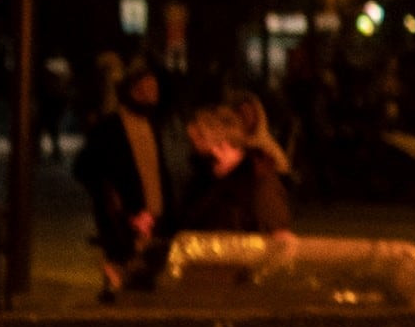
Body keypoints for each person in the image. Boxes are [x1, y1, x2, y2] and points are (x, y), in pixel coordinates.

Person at [136, 96, 291, 288]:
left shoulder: (259, 182)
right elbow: (185, 225)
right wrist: (154, 226)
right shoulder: (204, 178)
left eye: (195, 143)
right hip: (198, 282)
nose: (191, 150)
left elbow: (279, 241)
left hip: (235, 287)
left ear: (219, 144)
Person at [75, 64, 167, 298]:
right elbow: (84, 167)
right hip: (124, 215)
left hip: (153, 212)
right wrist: (109, 194)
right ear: (132, 91)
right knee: (121, 267)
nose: (152, 93)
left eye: (154, 88)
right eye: (145, 88)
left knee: (146, 273)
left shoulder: (152, 124)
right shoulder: (111, 126)